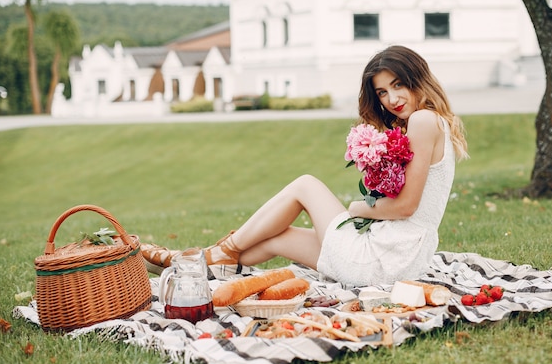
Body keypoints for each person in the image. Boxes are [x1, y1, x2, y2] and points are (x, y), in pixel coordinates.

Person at [142, 45, 468, 286]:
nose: (391, 99)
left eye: (398, 84)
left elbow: (406, 207)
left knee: (305, 185)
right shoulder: (435, 121)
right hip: (396, 262)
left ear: (417, 78)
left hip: (382, 259)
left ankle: (198, 257)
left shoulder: (423, 120)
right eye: (382, 92)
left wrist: (358, 208)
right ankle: (196, 265)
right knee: (276, 238)